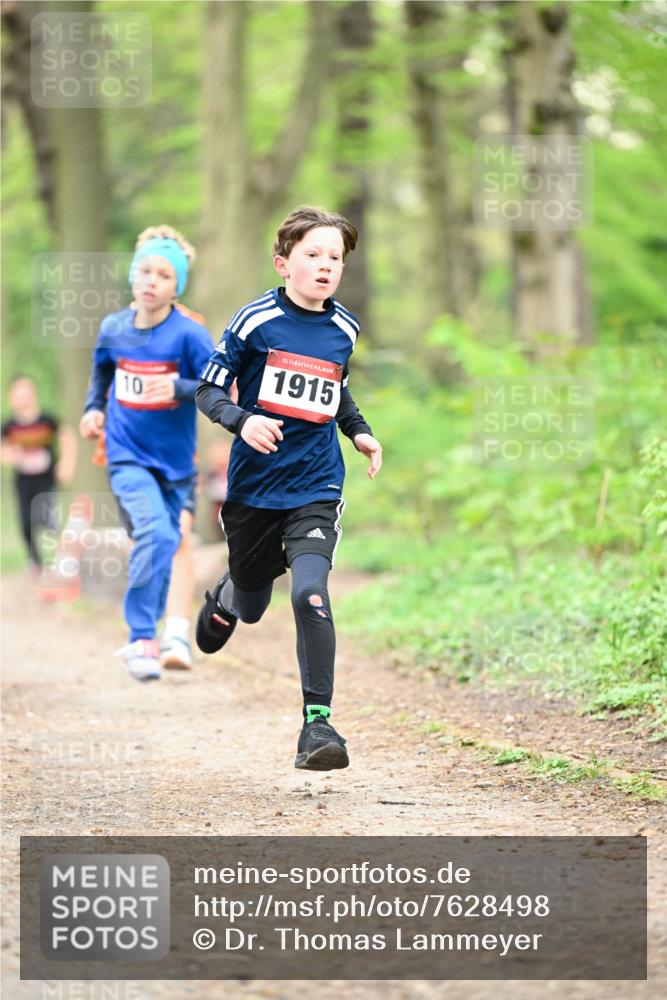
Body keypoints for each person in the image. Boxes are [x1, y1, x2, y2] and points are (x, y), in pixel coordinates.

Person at [195, 205, 382, 770]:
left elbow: (336, 391)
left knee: (309, 594)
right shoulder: (254, 321)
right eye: (313, 254)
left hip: (316, 485)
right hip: (254, 490)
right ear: (283, 264)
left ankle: (318, 726)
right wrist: (242, 421)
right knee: (254, 605)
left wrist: (359, 431)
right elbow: (208, 389)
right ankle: (230, 595)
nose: (326, 265)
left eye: (335, 258)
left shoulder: (344, 328)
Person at [79, 225, 213, 681]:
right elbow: (101, 372)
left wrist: (177, 387)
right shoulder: (114, 328)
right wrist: (93, 409)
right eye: (145, 271)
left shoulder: (189, 335)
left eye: (164, 275)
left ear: (177, 288)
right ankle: (141, 636)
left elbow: (219, 387)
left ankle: (159, 634)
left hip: (175, 465)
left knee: (168, 541)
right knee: (155, 533)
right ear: (133, 275)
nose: (151, 281)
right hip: (126, 456)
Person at [1, 375, 77, 571]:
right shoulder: (9, 426)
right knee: (26, 522)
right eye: (18, 395)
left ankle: (58, 558)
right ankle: (35, 562)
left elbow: (66, 436)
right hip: (23, 482)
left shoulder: (47, 420)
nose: (23, 399)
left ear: (34, 394)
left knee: (48, 519)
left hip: (47, 481)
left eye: (26, 394)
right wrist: (10, 456)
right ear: (11, 398)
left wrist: (66, 463)